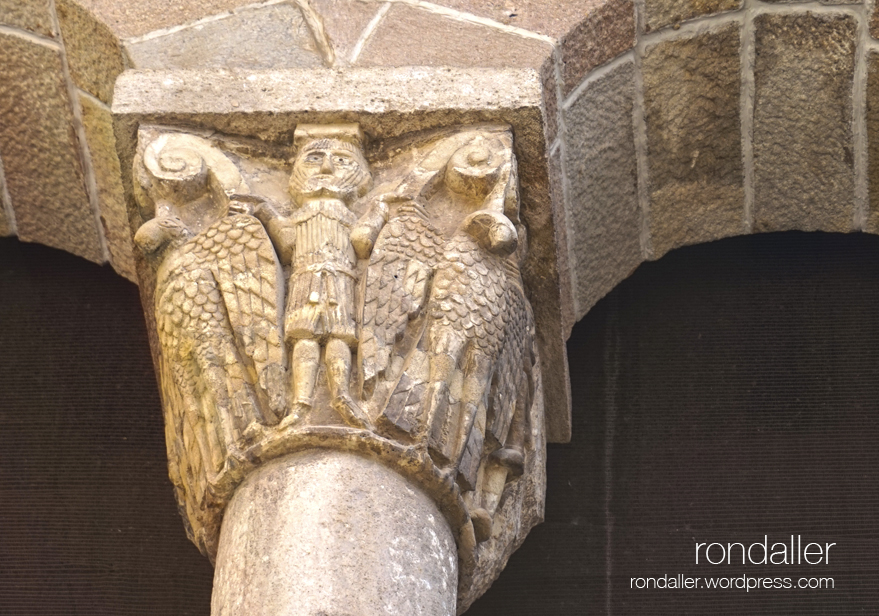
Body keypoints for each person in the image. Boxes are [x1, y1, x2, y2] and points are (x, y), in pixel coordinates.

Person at [255, 124, 383, 429]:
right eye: (314, 159)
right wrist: (265, 213)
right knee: (305, 339)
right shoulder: (301, 214)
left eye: (341, 161)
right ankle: (301, 403)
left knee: (339, 336)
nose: (326, 167)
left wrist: (378, 212)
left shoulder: (346, 213)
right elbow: (286, 246)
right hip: (304, 279)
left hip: (341, 279)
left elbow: (363, 243)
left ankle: (341, 394)